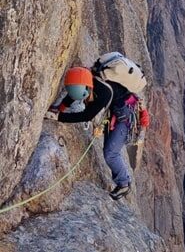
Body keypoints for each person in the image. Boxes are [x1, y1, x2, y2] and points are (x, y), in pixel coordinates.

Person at [44, 61, 149, 200]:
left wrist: (59, 117)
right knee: (108, 149)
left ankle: (124, 184)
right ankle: (122, 181)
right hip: (117, 112)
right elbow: (74, 94)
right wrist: (59, 109)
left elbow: (87, 115)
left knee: (110, 153)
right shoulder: (87, 78)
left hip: (125, 118)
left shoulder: (103, 92)